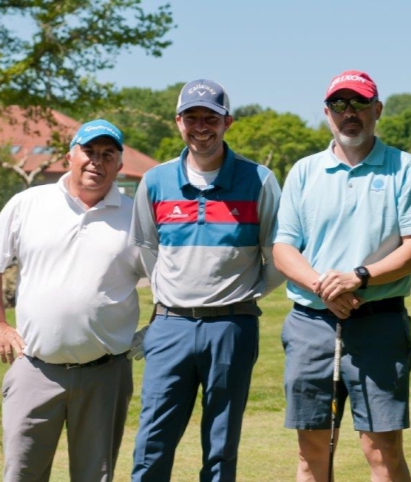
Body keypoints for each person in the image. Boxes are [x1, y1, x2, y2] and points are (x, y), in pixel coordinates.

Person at [273, 70, 411, 482]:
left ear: (377, 110)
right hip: (311, 322)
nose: (350, 113)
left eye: (360, 104)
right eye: (340, 105)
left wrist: (358, 277)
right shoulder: (304, 171)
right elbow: (283, 249)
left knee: (382, 450)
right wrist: (324, 286)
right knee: (312, 450)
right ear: (327, 114)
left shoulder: (404, 167)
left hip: (379, 323)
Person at [130, 79, 285, 481]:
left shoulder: (260, 180)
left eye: (210, 118)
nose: (201, 127)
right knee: (153, 442)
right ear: (178, 122)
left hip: (233, 326)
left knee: (221, 445)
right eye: (192, 117)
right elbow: (146, 247)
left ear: (227, 122)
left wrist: (247, 292)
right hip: (170, 326)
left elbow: (280, 253)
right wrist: (171, 291)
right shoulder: (155, 181)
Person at [0, 119, 144, 482]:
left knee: (93, 477)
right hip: (35, 369)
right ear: (70, 156)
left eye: (107, 154)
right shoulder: (29, 203)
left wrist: (158, 326)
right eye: (89, 152)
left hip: (106, 374)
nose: (96, 162)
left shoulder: (137, 217)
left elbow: (167, 276)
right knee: (22, 475)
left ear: (119, 164)